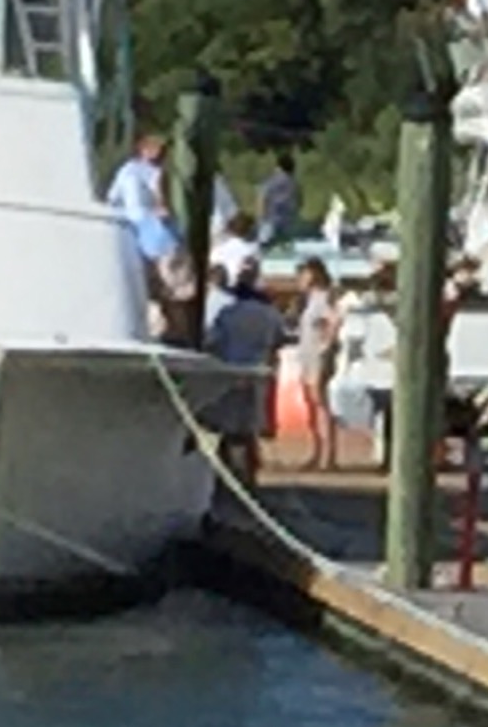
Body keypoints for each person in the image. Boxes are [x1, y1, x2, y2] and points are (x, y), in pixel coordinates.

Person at [203, 268, 289, 487]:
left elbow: (212, 342)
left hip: (231, 371)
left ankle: (228, 474)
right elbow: (281, 339)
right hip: (258, 373)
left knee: (228, 426)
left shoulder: (228, 313)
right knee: (250, 426)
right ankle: (248, 473)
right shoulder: (270, 314)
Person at [106, 131, 188, 327]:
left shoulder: (126, 169)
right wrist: (164, 211)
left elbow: (112, 197)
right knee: (170, 270)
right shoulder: (154, 172)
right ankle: (176, 313)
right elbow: (159, 196)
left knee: (147, 274)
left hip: (129, 223)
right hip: (150, 224)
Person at [293, 261, 340, 472]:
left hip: (317, 357)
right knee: (312, 405)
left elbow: (332, 323)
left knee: (320, 405)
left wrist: (326, 348)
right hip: (308, 356)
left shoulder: (323, 300)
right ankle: (318, 450)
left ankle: (327, 454)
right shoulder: (310, 301)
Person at [256, 153, 302, 245]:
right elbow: (299, 201)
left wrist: (261, 218)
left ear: (278, 167)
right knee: (285, 246)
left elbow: (262, 199)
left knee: (265, 246)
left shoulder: (271, 180)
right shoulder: (294, 184)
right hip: (288, 221)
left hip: (270, 220)